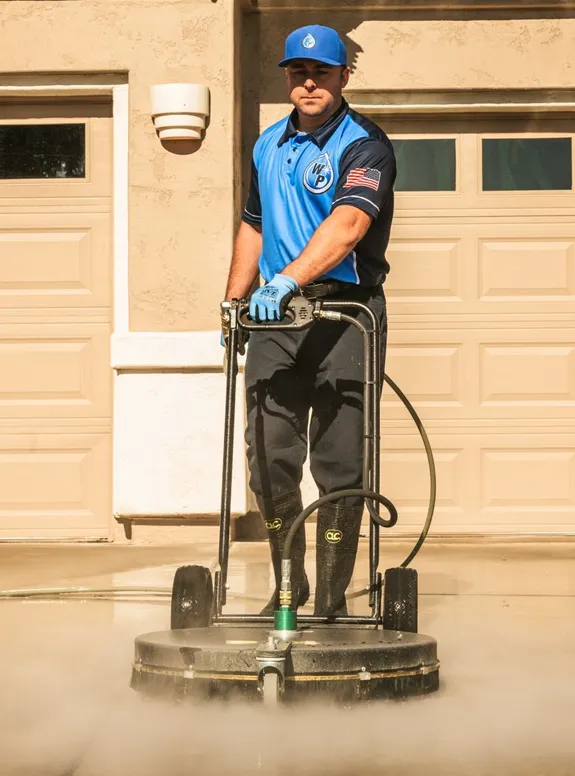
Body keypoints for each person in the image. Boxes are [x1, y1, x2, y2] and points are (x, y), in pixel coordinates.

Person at [221, 24, 396, 618]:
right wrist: (235, 299)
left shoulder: (365, 144)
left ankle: (328, 601)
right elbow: (253, 224)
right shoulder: (267, 144)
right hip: (275, 316)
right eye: (299, 72)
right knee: (268, 452)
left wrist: (285, 280)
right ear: (289, 78)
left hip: (346, 315)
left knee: (341, 461)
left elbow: (348, 224)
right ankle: (287, 583)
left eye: (322, 72)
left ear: (345, 76)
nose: (310, 82)